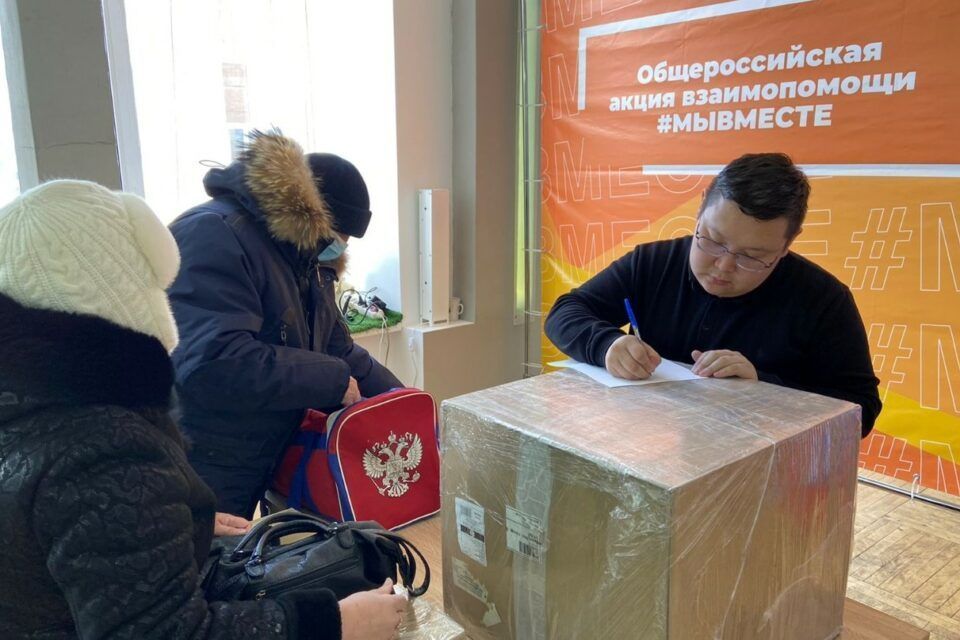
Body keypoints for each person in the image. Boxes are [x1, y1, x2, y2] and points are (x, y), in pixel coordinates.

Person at [0, 180, 407, 639]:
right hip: (221, 453)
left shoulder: (35, 406)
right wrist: (334, 623)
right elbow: (169, 632)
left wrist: (171, 524)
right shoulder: (103, 449)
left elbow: (71, 546)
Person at [545, 153, 882, 437]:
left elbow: (861, 410)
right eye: (712, 240)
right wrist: (606, 345)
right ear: (699, 211)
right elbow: (565, 311)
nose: (724, 266)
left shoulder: (823, 300)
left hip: (757, 464)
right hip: (644, 442)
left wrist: (764, 389)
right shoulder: (653, 263)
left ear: (786, 246)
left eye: (751, 256)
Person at [168, 131, 402, 518]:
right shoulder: (214, 234)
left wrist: (402, 403)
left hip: (262, 450)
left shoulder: (305, 259)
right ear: (310, 215)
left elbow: (337, 349)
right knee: (204, 554)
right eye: (339, 236)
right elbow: (215, 362)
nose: (341, 246)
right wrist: (332, 380)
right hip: (203, 456)